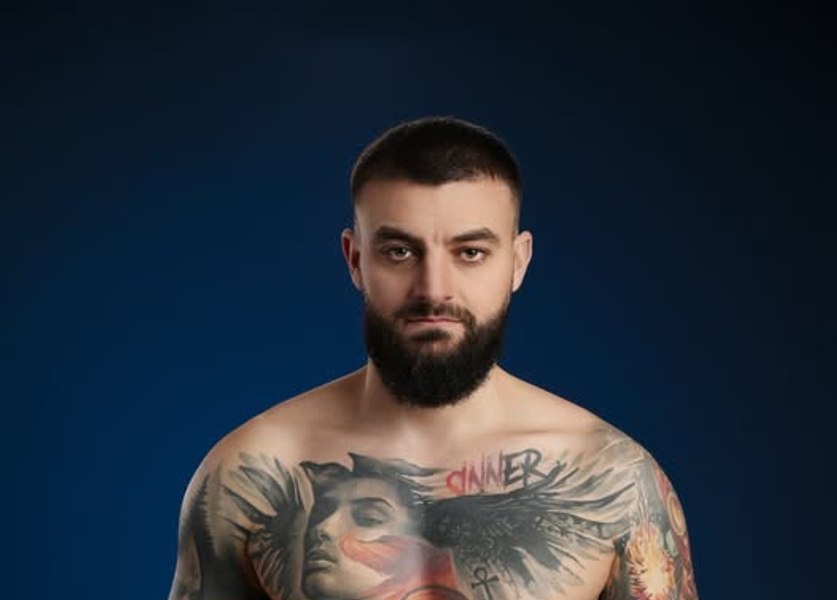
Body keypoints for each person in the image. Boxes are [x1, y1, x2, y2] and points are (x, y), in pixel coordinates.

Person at [167, 116, 699, 600]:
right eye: (400, 252)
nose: (434, 289)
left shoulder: (611, 477)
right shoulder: (253, 471)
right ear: (355, 260)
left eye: (471, 253)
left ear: (517, 263)